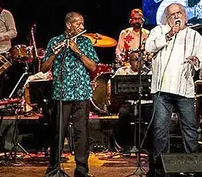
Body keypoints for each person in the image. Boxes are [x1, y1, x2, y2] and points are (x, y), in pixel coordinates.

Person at [145, 3, 202, 175]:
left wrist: (197, 60)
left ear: (184, 14)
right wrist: (170, 34)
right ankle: (160, 166)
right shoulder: (159, 31)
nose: (176, 16)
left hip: (184, 90)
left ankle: (192, 166)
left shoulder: (194, 35)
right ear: (167, 17)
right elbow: (149, 47)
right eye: (172, 14)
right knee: (160, 128)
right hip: (161, 89)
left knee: (189, 128)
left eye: (178, 12)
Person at [41, 12, 99, 177]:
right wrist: (54, 54)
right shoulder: (55, 41)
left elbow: (93, 67)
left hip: (81, 93)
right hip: (61, 93)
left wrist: (77, 51)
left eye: (82, 24)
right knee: (58, 132)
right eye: (78, 24)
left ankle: (81, 170)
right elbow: (44, 68)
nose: (82, 27)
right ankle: (53, 168)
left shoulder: (85, 42)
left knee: (82, 133)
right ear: (68, 25)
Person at [111, 50, 152, 153]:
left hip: (145, 103)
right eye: (135, 60)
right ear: (129, 61)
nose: (138, 62)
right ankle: (126, 145)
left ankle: (147, 145)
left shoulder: (150, 72)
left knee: (151, 116)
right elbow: (112, 87)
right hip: (128, 102)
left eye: (140, 60)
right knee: (123, 114)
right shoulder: (122, 71)